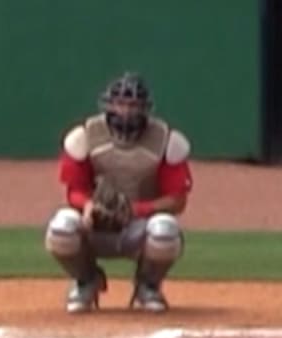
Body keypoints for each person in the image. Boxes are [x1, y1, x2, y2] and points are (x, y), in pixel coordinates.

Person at [43, 72, 193, 313]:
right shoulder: (86, 136)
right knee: (61, 228)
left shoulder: (164, 140)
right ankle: (86, 281)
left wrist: (137, 210)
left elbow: (177, 200)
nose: (126, 111)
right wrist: (89, 206)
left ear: (145, 108)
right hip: (95, 224)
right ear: (109, 105)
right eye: (121, 104)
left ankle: (148, 286)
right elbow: (74, 191)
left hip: (138, 227)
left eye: (133, 105)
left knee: (165, 231)